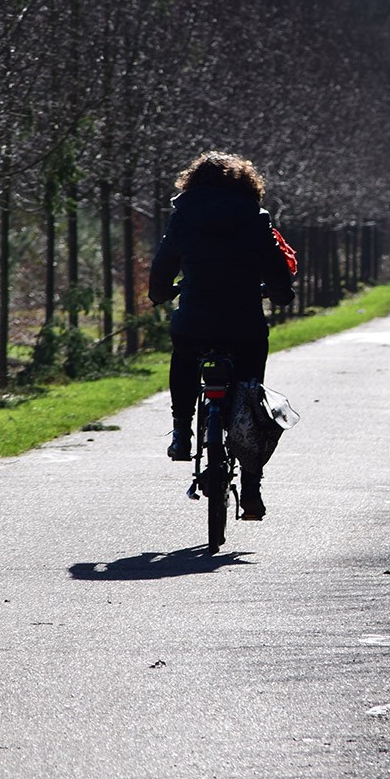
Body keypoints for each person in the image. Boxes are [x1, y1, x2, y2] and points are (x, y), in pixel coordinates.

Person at [148, 151, 296, 520]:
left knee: (183, 357)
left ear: (193, 182)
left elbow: (163, 263)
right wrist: (280, 294)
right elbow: (277, 270)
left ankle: (182, 432)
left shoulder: (183, 217)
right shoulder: (255, 218)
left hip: (195, 321)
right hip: (243, 325)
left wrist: (160, 292)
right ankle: (251, 487)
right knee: (249, 395)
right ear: (246, 183)